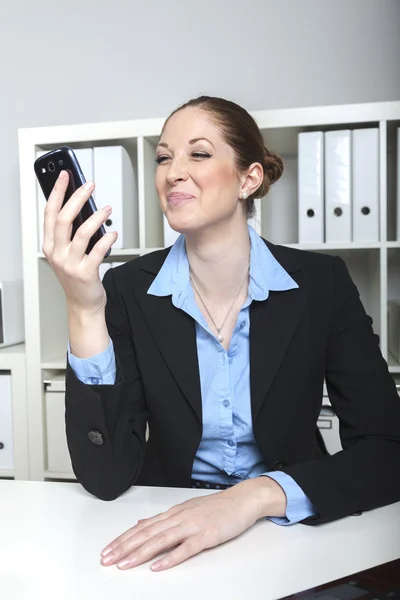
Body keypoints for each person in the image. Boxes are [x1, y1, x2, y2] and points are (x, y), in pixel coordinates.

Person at [43, 96, 400, 573]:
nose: (173, 172)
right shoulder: (126, 289)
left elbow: (387, 452)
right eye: (164, 157)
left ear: (248, 179)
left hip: (288, 526)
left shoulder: (322, 283)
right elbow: (104, 477)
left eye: (199, 153)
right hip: (167, 526)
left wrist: (253, 496)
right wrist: (84, 308)